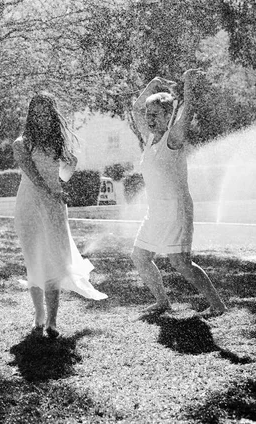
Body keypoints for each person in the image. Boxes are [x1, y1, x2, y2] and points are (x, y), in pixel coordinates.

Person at [130, 71, 227, 317]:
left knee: (181, 262)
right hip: (156, 212)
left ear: (167, 115)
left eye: (154, 115)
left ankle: (217, 306)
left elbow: (190, 110)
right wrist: (152, 85)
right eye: (148, 115)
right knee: (140, 257)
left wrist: (189, 84)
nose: (149, 119)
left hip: (176, 210)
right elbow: (135, 109)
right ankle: (162, 302)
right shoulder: (149, 138)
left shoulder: (173, 137)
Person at [13, 93, 107, 338]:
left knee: (54, 260)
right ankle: (39, 315)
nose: (42, 118)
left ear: (52, 115)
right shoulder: (21, 143)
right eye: (37, 113)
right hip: (30, 205)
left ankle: (52, 322)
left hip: (54, 206)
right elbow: (33, 175)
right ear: (31, 116)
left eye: (46, 113)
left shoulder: (57, 143)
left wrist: (68, 169)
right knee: (34, 261)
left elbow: (63, 176)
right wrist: (52, 192)